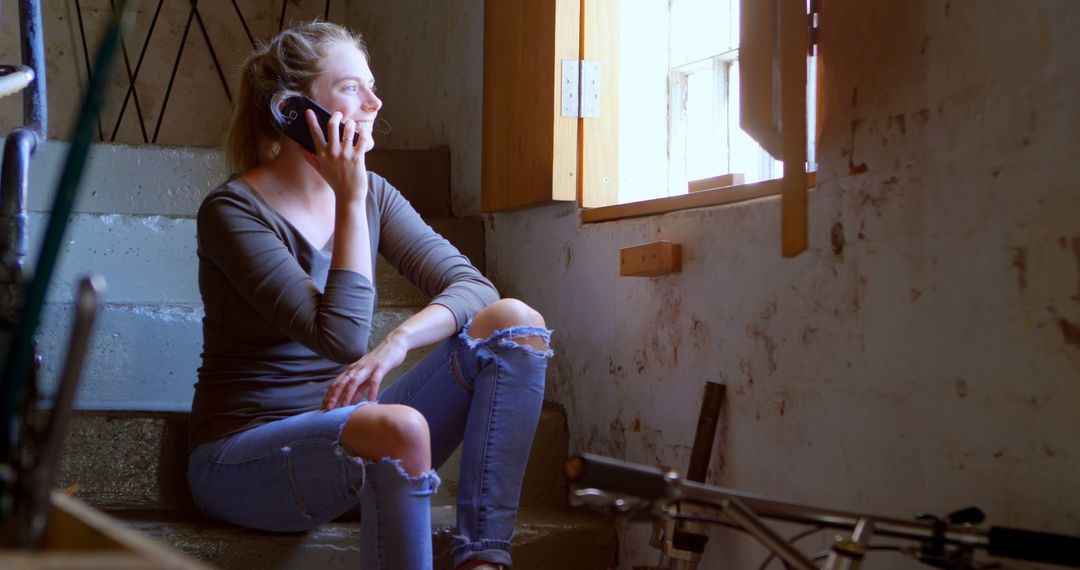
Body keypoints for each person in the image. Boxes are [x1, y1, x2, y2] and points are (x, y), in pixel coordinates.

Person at [185, 21, 551, 570]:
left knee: (514, 323)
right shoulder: (232, 212)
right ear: (292, 109)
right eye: (352, 88)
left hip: (356, 445)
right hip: (244, 461)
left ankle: (483, 561)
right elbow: (342, 337)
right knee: (398, 425)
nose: (375, 103)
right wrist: (350, 199)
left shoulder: (375, 193)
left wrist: (398, 343)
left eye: (372, 86)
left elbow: (475, 288)